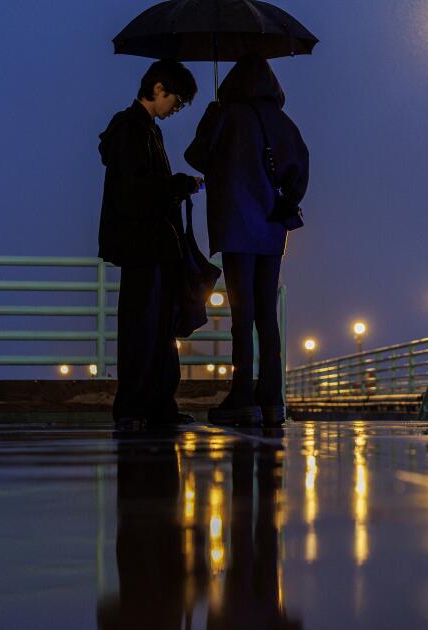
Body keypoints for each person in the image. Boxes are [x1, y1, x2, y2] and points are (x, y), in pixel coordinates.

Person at [185, 54, 309, 427]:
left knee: (243, 310)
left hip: (237, 223)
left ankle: (242, 394)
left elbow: (197, 156)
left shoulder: (227, 116)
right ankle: (272, 397)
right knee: (266, 312)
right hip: (272, 226)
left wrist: (210, 115)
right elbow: (299, 170)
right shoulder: (283, 122)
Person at [98, 59, 202, 428]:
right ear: (158, 88)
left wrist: (175, 185)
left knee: (154, 325)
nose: (177, 107)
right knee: (145, 326)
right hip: (145, 243)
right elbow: (138, 190)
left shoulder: (141, 129)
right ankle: (137, 407)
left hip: (148, 244)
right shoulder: (132, 130)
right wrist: (178, 185)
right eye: (177, 99)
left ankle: (153, 405)